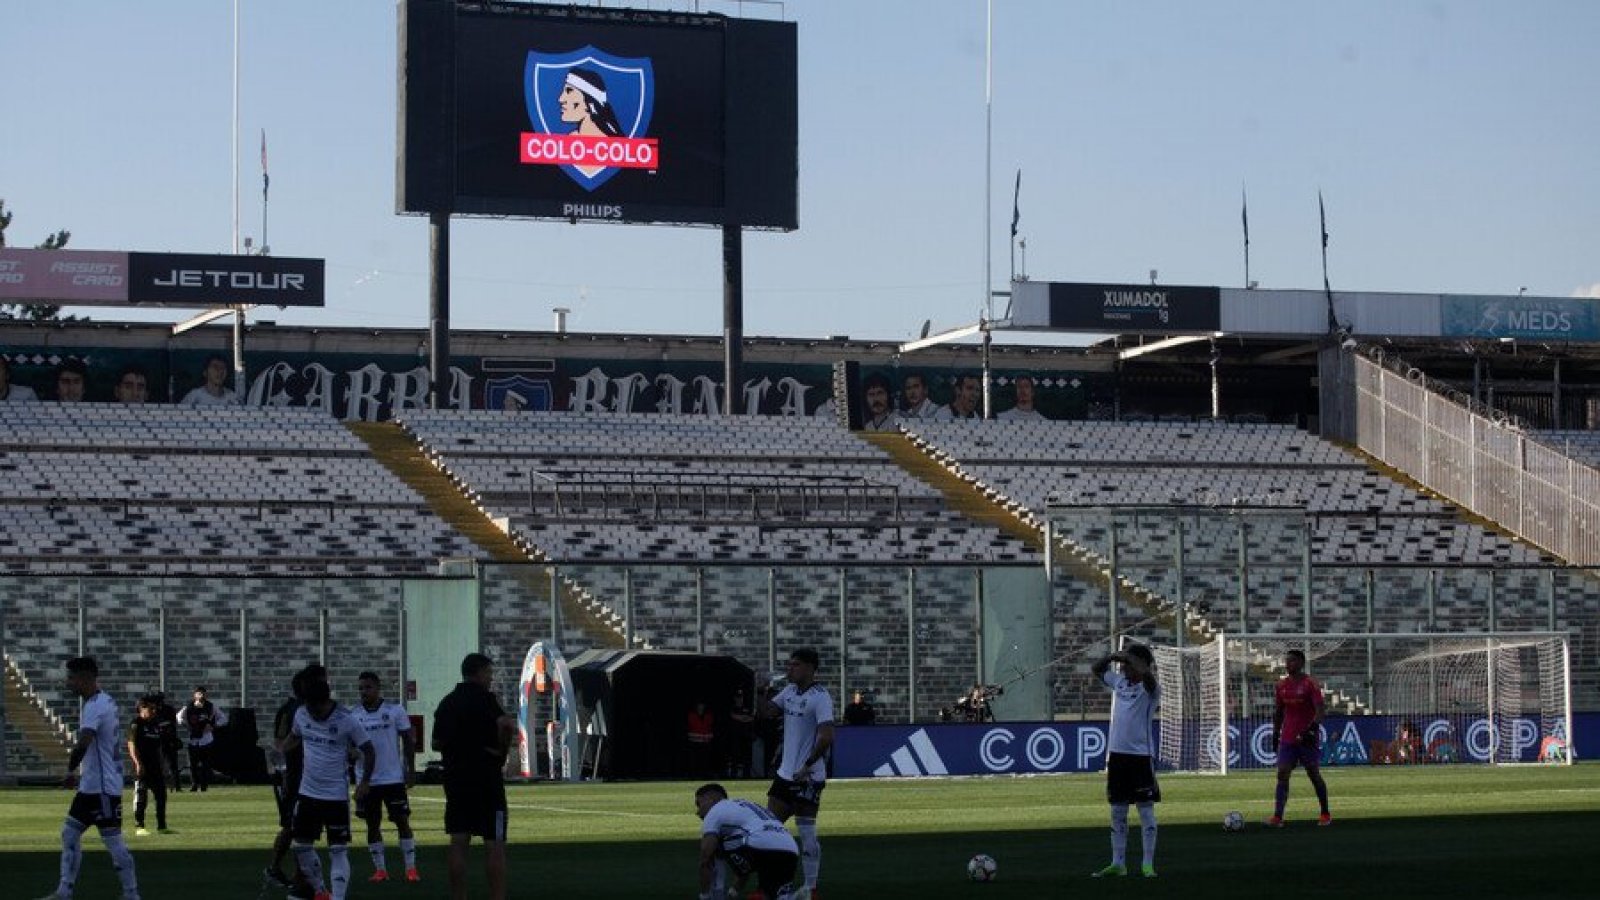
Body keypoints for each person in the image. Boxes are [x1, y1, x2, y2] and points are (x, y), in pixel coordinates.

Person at [34, 656, 141, 900]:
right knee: (69, 834)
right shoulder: (104, 701)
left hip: (102, 790)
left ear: (84, 678)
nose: (67, 683)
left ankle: (132, 894)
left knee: (113, 842)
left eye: (71, 678)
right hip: (91, 786)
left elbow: (84, 742)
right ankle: (64, 891)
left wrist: (70, 771)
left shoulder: (95, 706)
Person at [279, 675, 376, 900]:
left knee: (338, 850)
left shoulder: (347, 719)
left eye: (316, 708)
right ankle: (321, 891)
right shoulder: (302, 713)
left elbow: (369, 749)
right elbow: (294, 736)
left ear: (324, 701)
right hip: (307, 793)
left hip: (335, 796)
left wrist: (365, 781)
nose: (312, 713)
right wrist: (281, 753)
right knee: (301, 846)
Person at [432, 652, 517, 900]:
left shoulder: (448, 702)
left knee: (459, 841)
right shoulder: (486, 699)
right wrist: (501, 751)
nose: (490, 679)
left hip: (457, 779)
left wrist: (458, 745)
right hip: (487, 779)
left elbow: (436, 743)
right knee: (494, 842)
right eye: (489, 673)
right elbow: (507, 725)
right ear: (479, 673)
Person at [764, 648, 835, 898]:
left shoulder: (821, 697)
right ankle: (773, 887)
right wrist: (763, 691)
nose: (789, 669)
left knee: (806, 832)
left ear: (809, 668)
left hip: (808, 777)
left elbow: (826, 736)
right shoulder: (790, 691)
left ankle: (810, 887)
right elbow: (768, 712)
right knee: (768, 831)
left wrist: (808, 765)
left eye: (795, 665)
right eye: (789, 664)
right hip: (785, 775)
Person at [1089, 644, 1160, 879]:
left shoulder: (1151, 688)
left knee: (1145, 812)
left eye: (1129, 663)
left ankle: (1147, 864)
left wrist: (1134, 660)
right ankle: (1118, 863)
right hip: (1117, 756)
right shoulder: (1119, 682)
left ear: (1140, 664)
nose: (1124, 667)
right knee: (1117, 812)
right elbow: (1096, 669)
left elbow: (1147, 675)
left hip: (1140, 757)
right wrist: (1111, 656)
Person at [351, 671, 419, 884]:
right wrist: (351, 754)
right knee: (372, 824)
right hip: (367, 780)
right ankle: (380, 870)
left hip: (392, 778)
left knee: (401, 821)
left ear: (378, 688)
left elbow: (408, 740)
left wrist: (410, 769)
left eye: (368, 687)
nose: (364, 692)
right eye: (361, 688)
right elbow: (349, 745)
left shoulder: (394, 710)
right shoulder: (354, 715)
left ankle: (410, 868)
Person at [265, 665, 327, 899]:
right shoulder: (296, 711)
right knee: (297, 828)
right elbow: (281, 743)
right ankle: (299, 877)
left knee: (295, 827)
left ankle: (283, 869)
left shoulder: (300, 709)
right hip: (298, 777)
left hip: (302, 776)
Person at [695, 783, 800, 900]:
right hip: (790, 848)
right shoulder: (746, 805)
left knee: (717, 845)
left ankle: (717, 895)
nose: (698, 812)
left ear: (710, 798)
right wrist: (734, 891)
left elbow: (705, 857)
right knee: (777, 895)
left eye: (699, 804)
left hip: (760, 845)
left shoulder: (714, 811)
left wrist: (704, 895)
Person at [1269, 649, 1331, 827]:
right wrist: (1275, 732)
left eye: (1293, 661)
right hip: (1288, 737)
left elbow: (1320, 710)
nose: (1288, 664)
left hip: (1306, 737)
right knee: (1282, 774)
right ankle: (1278, 817)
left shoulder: (1310, 683)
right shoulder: (1281, 686)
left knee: (1313, 774)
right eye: (1287, 661)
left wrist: (1312, 729)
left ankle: (1325, 813)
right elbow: (1279, 712)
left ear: (1301, 663)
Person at [126, 697, 170, 835]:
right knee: (141, 796)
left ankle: (162, 826)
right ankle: (139, 826)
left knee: (161, 796)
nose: (153, 711)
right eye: (150, 708)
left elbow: (159, 747)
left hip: (155, 766)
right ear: (142, 709)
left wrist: (163, 764)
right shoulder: (136, 723)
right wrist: (138, 763)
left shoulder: (155, 724)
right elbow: (131, 744)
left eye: (154, 708)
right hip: (142, 766)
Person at [176, 685, 227, 792]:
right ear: (194, 695)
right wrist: (186, 724)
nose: (201, 696)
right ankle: (194, 784)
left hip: (206, 739)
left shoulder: (210, 707)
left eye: (203, 694)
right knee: (193, 765)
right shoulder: (189, 707)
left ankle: (204, 785)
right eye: (199, 693)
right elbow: (179, 717)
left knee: (205, 765)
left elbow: (223, 718)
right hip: (194, 740)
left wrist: (213, 726)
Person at [559, 68, 625, 138]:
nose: (561, 99)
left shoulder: (611, 143)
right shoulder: (571, 138)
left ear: (589, 102)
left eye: (569, 91)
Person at [726, 687, 756, 778]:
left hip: (746, 736)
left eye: (741, 697)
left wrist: (742, 718)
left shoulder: (747, 707)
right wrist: (743, 718)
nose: (740, 699)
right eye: (738, 697)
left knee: (746, 758)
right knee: (735, 757)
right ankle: (733, 775)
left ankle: (746, 776)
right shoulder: (732, 708)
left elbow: (751, 718)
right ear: (735, 698)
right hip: (735, 737)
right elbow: (734, 716)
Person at [686, 698, 716, 778]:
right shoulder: (692, 715)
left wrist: (708, 737)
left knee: (705, 760)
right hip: (694, 742)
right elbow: (694, 726)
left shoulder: (708, 716)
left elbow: (709, 727)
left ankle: (704, 774)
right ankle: (693, 775)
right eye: (699, 705)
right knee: (694, 761)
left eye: (702, 705)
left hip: (706, 742)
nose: (701, 707)